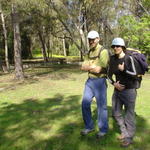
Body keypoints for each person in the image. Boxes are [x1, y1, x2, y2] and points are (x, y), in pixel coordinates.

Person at [108, 37, 138, 147]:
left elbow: (134, 74)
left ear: (122, 47)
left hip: (129, 91)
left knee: (129, 115)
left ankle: (129, 138)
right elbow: (108, 75)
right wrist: (114, 83)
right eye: (114, 46)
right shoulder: (112, 59)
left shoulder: (129, 58)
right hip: (117, 91)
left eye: (118, 46)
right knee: (116, 113)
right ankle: (124, 132)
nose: (115, 48)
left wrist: (123, 70)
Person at [80, 30, 109, 138]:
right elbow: (82, 67)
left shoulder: (103, 51)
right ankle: (89, 126)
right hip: (89, 82)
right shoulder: (89, 52)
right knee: (85, 104)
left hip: (100, 82)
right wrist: (91, 67)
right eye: (89, 39)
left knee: (101, 107)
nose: (91, 41)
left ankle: (103, 129)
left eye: (93, 39)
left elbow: (99, 70)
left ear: (98, 39)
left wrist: (90, 67)